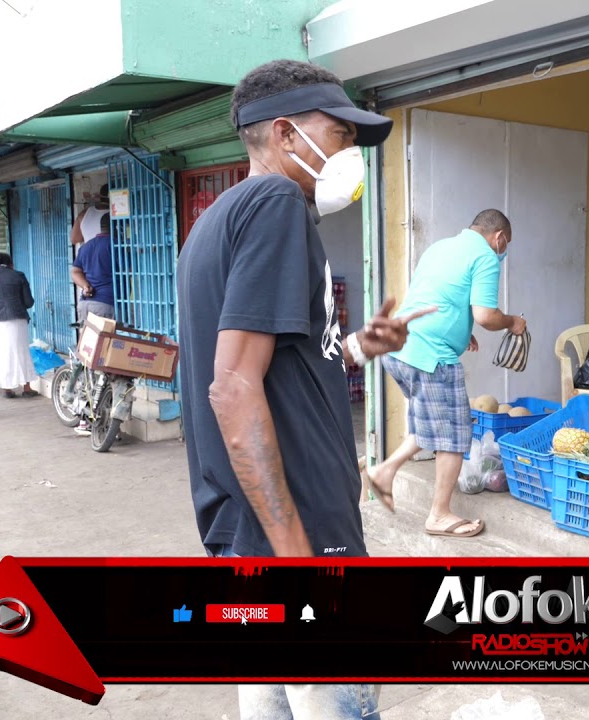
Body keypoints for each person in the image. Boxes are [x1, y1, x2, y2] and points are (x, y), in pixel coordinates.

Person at [177, 58, 429, 720]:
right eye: (340, 132)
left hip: (244, 537)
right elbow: (232, 388)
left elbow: (273, 365)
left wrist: (357, 347)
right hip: (302, 539)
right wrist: (298, 558)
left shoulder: (216, 220)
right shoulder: (277, 205)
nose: (349, 150)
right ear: (286, 134)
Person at [366, 209, 528, 539]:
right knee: (453, 436)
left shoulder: (440, 247)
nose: (503, 251)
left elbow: (439, 296)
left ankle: (384, 471)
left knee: (431, 423)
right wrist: (511, 321)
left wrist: (459, 330)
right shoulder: (485, 256)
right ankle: (439, 515)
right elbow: (485, 315)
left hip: (400, 350)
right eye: (505, 244)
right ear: (498, 238)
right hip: (432, 357)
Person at [0, 252, 39, 398]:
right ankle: (26, 388)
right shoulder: (18, 275)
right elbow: (28, 302)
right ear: (10, 263)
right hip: (16, 320)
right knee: (21, 352)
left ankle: (6, 389)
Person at [72, 212, 115, 321]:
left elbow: (75, 271)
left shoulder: (86, 246)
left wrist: (85, 286)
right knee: (107, 338)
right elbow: (131, 268)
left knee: (88, 338)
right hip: (106, 303)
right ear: (117, 226)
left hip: (85, 304)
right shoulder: (116, 245)